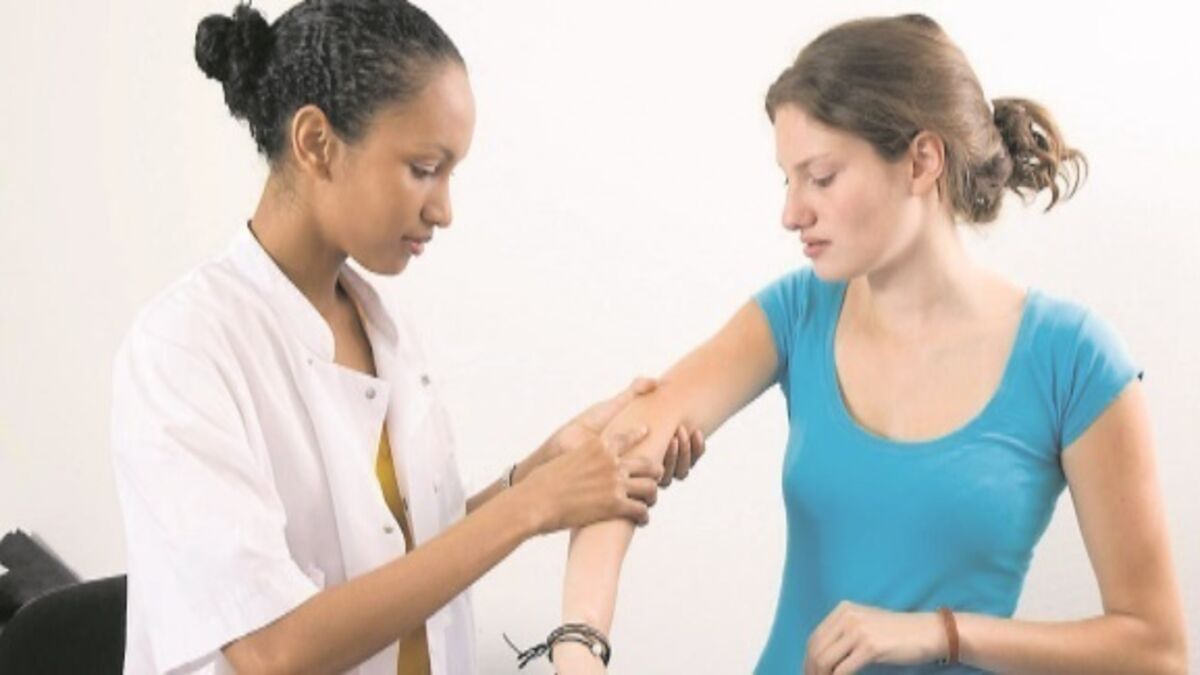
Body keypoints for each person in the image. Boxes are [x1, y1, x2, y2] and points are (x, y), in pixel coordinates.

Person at [546, 14, 1189, 675]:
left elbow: (1157, 649)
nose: (792, 213)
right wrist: (578, 643)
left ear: (921, 161)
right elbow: (622, 448)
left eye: (821, 177)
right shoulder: (797, 313)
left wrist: (940, 631)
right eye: (788, 179)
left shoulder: (1073, 361)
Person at [110, 2, 706, 673]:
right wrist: (533, 506)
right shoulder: (183, 348)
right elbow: (271, 648)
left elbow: (405, 560)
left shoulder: (380, 323)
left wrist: (534, 472)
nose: (443, 209)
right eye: (424, 168)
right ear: (316, 142)